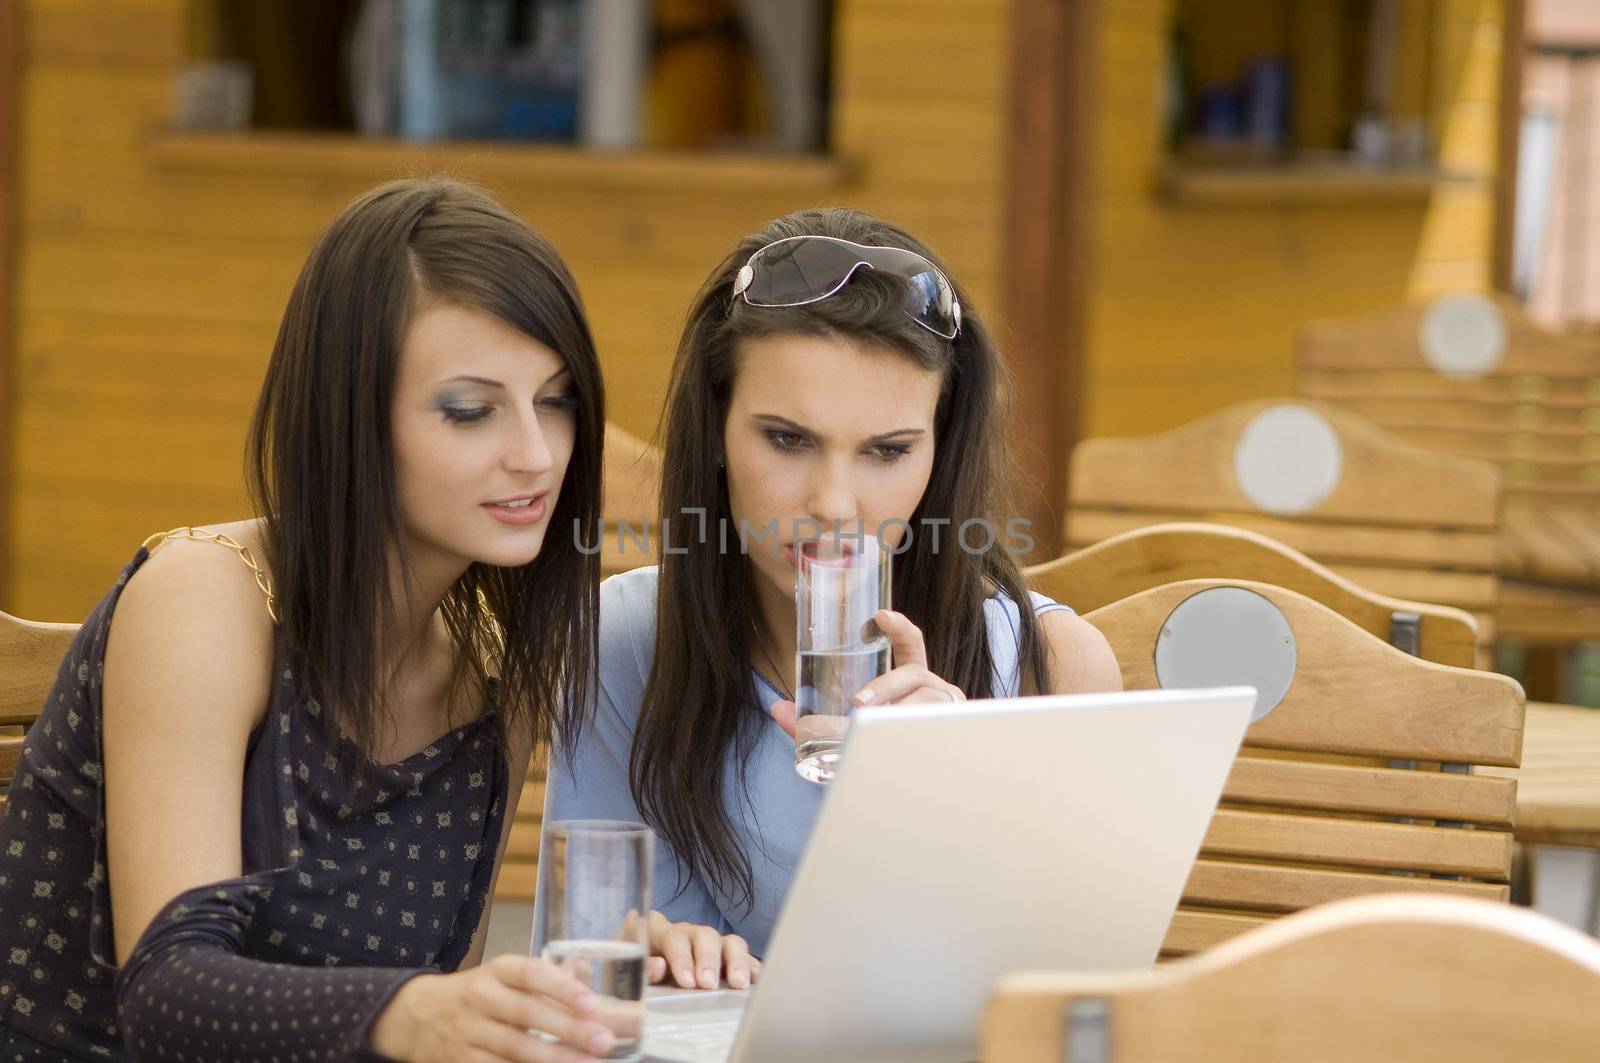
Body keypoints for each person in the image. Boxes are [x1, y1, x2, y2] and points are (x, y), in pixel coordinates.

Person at [0, 178, 747, 1063]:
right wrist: (416, 1010)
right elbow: (167, 991)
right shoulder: (209, 596)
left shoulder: (490, 677)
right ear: (352, 413)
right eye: (470, 409)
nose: (536, 453)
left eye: (557, 400)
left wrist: (558, 1003)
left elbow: (442, 1011)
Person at [551, 208, 1122, 962]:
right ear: (715, 428)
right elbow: (586, 987)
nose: (834, 503)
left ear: (939, 454)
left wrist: (962, 801)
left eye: (887, 450)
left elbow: (1079, 1012)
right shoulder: (619, 645)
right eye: (788, 439)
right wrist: (655, 957)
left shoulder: (1055, 672)